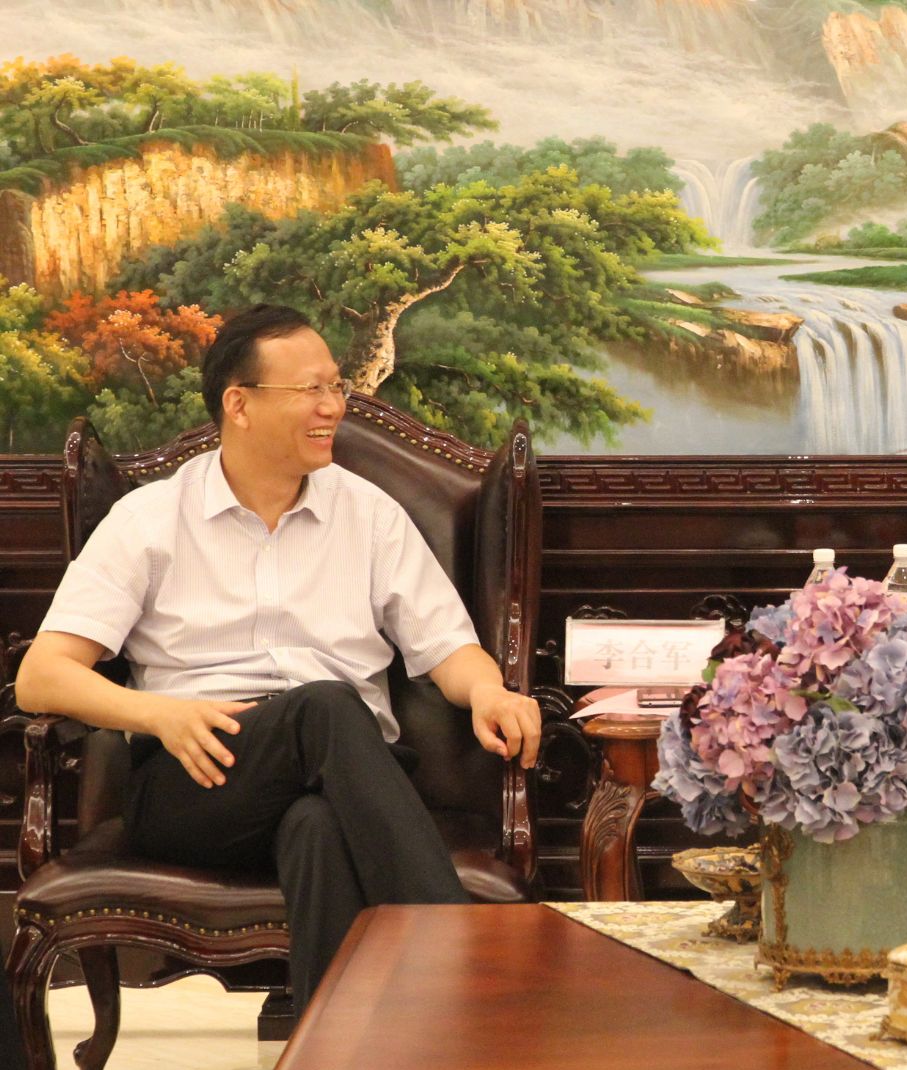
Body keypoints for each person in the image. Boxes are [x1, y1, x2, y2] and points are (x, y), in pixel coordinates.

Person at [15, 303, 542, 1016]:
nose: (333, 407)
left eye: (336, 387)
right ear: (239, 404)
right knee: (325, 705)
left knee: (315, 826)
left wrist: (489, 693)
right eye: (310, 390)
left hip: (347, 775)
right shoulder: (149, 521)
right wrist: (160, 716)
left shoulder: (368, 513)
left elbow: (449, 646)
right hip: (196, 780)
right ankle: (473, 976)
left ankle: (339, 1061)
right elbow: (40, 677)